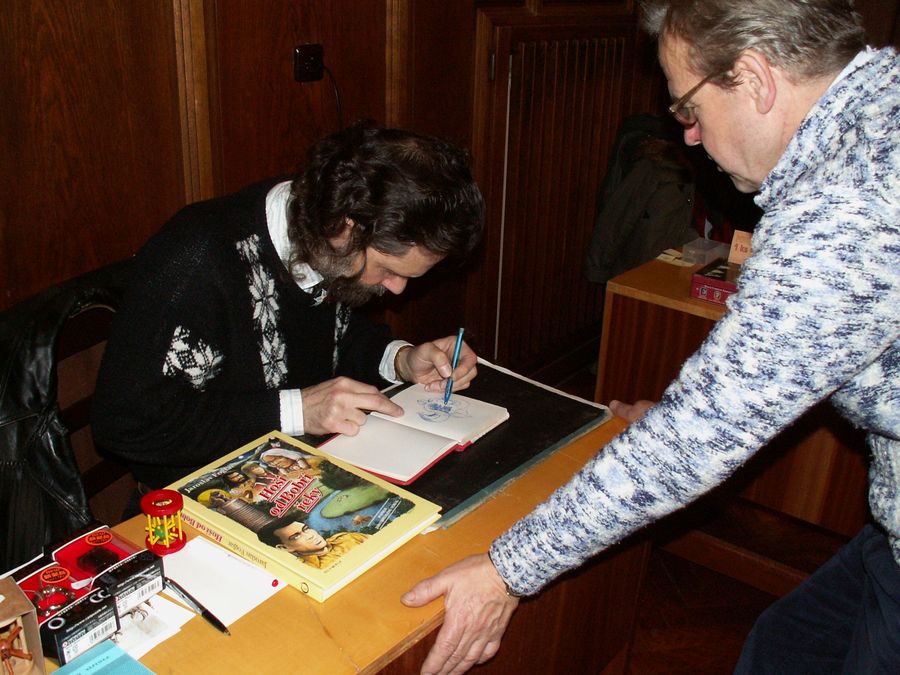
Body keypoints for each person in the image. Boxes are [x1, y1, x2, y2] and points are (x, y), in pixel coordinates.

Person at [401, 1, 899, 672]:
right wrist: (678, 421)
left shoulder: (848, 205)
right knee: (787, 645)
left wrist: (504, 571)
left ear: (755, 80)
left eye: (689, 108)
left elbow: (701, 437)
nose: (688, 136)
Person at [92, 120, 485, 490]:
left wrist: (399, 360)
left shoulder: (319, 232)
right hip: (198, 499)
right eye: (388, 270)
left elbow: (332, 336)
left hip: (303, 470)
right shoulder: (198, 260)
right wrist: (296, 411)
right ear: (346, 226)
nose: (397, 289)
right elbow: (124, 423)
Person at [256, 515, 368, 569]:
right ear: (284, 548)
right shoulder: (308, 569)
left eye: (306, 529)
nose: (310, 536)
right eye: (296, 536)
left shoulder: (346, 538)